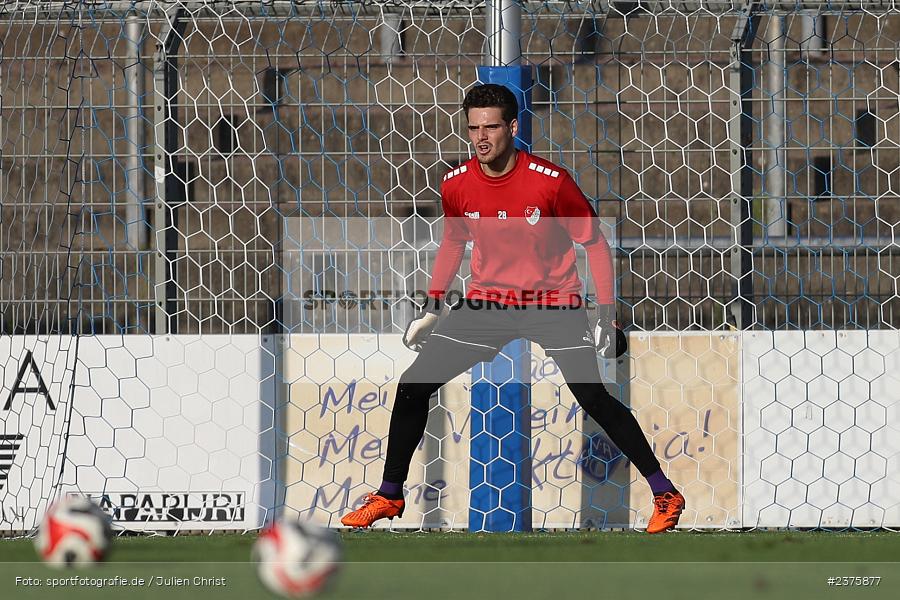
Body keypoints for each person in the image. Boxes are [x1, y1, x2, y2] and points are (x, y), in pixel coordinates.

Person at [341, 83, 685, 533]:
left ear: (513, 127)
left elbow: (594, 244)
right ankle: (389, 495)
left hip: (554, 304)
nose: (482, 137)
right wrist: (432, 306)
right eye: (473, 128)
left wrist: (604, 312)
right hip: (488, 304)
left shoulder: (551, 182)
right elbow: (453, 242)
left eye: (492, 127)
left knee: (593, 397)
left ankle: (664, 492)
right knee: (412, 385)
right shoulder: (456, 183)